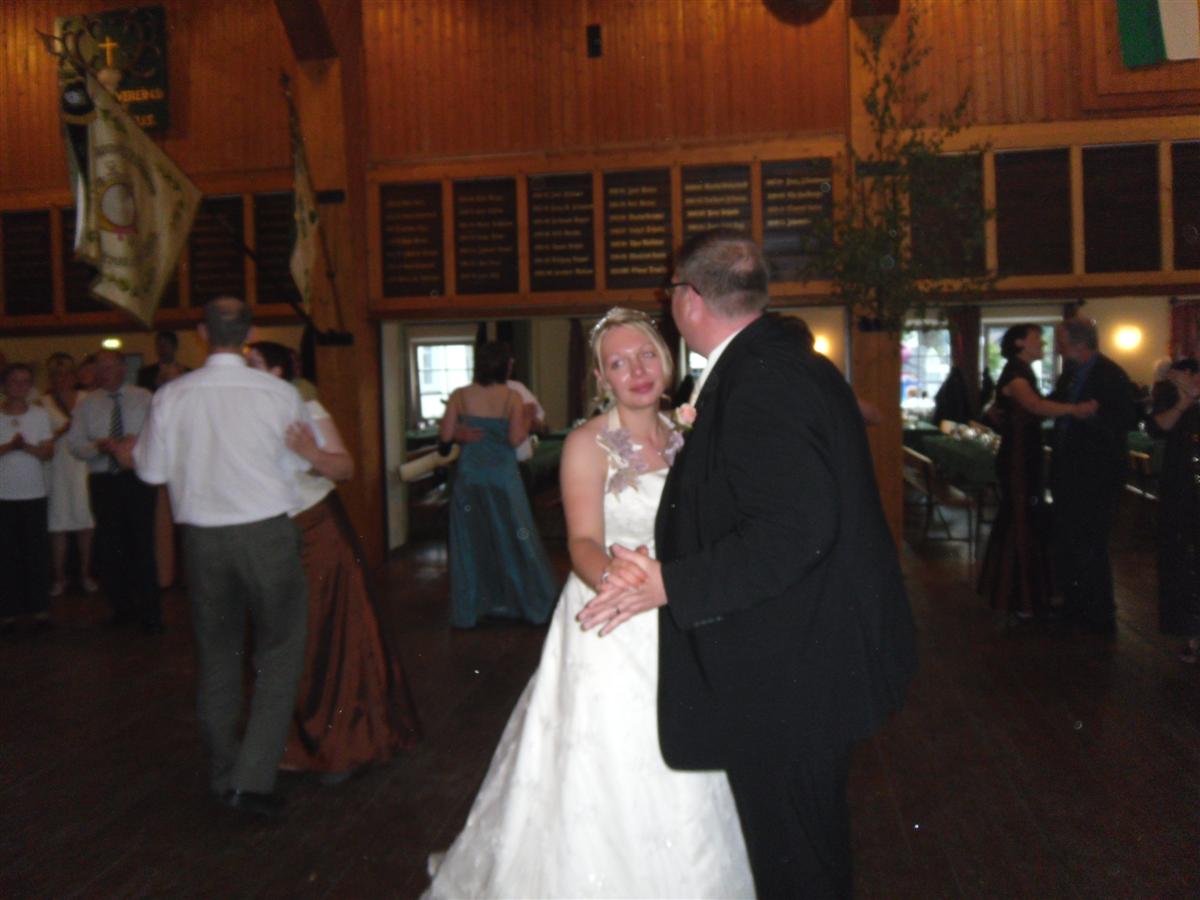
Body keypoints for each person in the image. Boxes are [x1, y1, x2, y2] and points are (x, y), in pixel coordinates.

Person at [580, 230, 918, 898]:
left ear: (690, 299)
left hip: (791, 667)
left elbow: (794, 531)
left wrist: (672, 582)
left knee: (796, 858)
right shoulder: (779, 362)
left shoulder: (761, 380)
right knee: (804, 846)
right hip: (804, 652)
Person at [425, 308, 753, 899]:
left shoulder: (691, 435)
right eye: (619, 363)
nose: (637, 371)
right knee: (610, 754)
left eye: (646, 355)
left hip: (678, 605)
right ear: (602, 378)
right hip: (611, 613)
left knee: (688, 748)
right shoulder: (587, 443)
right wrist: (619, 584)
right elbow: (581, 542)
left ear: (666, 360)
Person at [131, 298, 312, 819]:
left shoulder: (172, 395)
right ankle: (251, 780)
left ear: (201, 333)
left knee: (217, 654)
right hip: (266, 533)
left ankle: (224, 772)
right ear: (251, 333)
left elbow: (150, 472)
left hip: (203, 539)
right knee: (279, 653)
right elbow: (299, 462)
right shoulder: (279, 393)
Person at [247, 341, 421, 782]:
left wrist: (309, 453)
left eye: (254, 363)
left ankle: (344, 742)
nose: (245, 370)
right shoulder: (239, 413)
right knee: (277, 640)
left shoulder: (303, 406)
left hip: (315, 530)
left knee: (326, 636)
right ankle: (291, 742)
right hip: (265, 533)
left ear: (279, 371)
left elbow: (343, 468)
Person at [977, 325, 1096, 620]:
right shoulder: (1017, 373)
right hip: (1018, 458)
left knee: (1025, 518)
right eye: (1036, 337)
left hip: (1023, 455)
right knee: (1020, 518)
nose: (1043, 342)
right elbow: (1034, 405)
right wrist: (1075, 409)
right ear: (1020, 343)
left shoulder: (1021, 371)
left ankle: (1023, 596)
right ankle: (1021, 598)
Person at [437, 341, 557, 628]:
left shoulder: (459, 395)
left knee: (471, 539)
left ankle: (473, 608)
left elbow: (445, 437)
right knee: (517, 535)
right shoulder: (511, 397)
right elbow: (516, 439)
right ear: (504, 366)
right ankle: (527, 602)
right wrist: (525, 419)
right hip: (502, 478)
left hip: (470, 478)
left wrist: (461, 433)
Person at [1049, 317, 1135, 637]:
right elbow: (1057, 406)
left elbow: (1125, 419)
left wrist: (1091, 416)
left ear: (1078, 342)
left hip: (1097, 473)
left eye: (1061, 340)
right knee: (1069, 539)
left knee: (1091, 542)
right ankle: (1075, 606)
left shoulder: (1110, 374)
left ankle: (1100, 614)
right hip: (1070, 470)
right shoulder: (1071, 373)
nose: (1058, 346)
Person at [66, 349, 160, 632]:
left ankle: (150, 612)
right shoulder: (87, 404)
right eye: (100, 368)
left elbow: (159, 435)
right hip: (104, 479)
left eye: (110, 367)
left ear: (123, 368)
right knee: (111, 546)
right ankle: (121, 608)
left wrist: (135, 443)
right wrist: (98, 446)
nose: (104, 373)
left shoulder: (143, 398)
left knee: (142, 544)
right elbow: (75, 445)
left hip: (136, 478)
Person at [1148, 358, 1200, 662]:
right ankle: (1191, 635)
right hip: (1181, 487)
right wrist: (1183, 402)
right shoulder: (1171, 398)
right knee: (1183, 558)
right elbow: (1157, 428)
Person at [0, 363, 55, 632]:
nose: (20, 386)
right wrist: (10, 446)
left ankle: (39, 609)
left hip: (33, 493)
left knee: (35, 553)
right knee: (6, 555)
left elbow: (47, 452)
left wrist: (26, 447)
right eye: (15, 381)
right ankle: (7, 612)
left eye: (25, 381)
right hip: (4, 495)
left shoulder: (40, 415)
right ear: (4, 386)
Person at [40, 353, 97, 597]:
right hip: (57, 468)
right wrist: (60, 432)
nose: (61, 379)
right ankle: (59, 577)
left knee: (85, 522)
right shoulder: (43, 403)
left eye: (65, 374)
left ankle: (85, 574)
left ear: (73, 376)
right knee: (58, 524)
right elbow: (40, 439)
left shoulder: (87, 398)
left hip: (83, 467)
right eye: (55, 375)